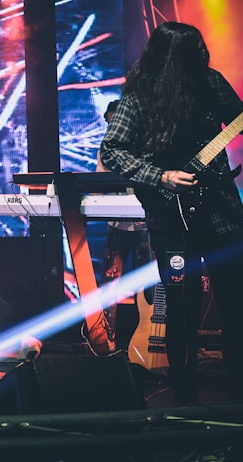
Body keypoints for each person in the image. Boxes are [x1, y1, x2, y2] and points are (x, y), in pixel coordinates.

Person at [99, 22, 243, 404]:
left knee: (235, 302)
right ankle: (183, 400)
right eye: (193, 52)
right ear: (172, 56)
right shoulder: (139, 97)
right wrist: (162, 176)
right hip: (171, 219)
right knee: (180, 310)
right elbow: (112, 150)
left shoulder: (210, 82)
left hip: (221, 211)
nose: (202, 57)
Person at [97, 99, 152, 344]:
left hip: (146, 224)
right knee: (110, 283)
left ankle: (146, 339)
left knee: (148, 286)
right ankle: (106, 341)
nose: (111, 129)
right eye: (109, 124)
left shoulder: (147, 145)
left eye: (114, 123)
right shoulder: (106, 149)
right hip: (117, 223)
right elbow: (98, 182)